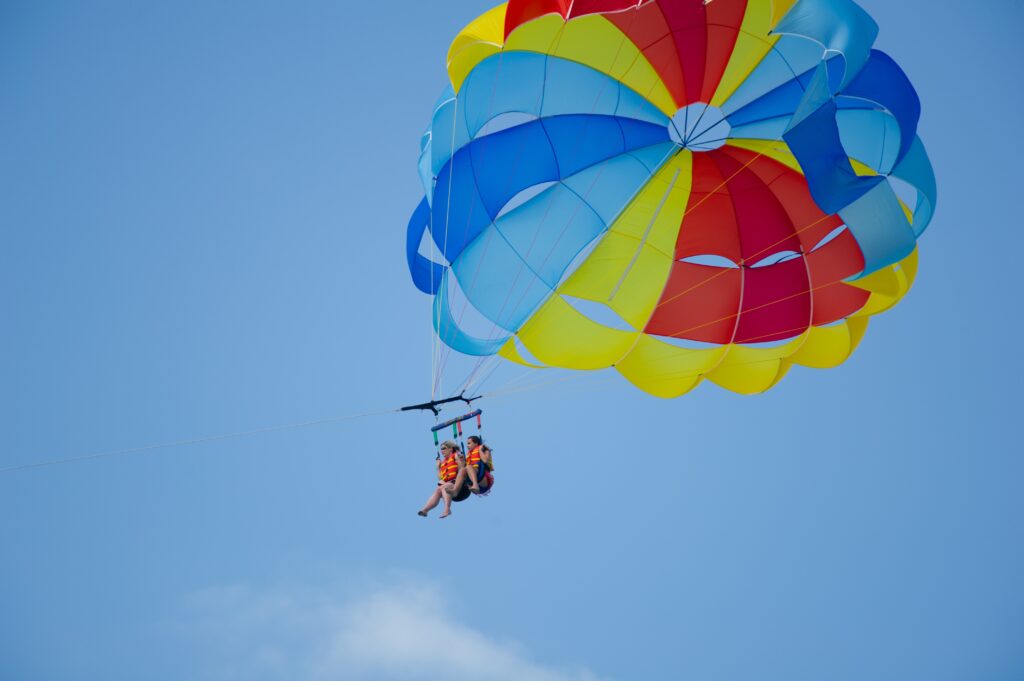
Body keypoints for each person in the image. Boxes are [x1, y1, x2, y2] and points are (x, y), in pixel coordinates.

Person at [417, 441, 464, 519]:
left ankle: (447, 509)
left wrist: (459, 459)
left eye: (444, 449)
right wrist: (438, 467)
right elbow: (441, 478)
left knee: (445, 487)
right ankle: (425, 510)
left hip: (460, 486)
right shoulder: (443, 463)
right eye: (441, 449)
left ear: (451, 449)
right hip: (449, 488)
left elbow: (462, 468)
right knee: (438, 489)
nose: (442, 451)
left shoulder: (455, 456)